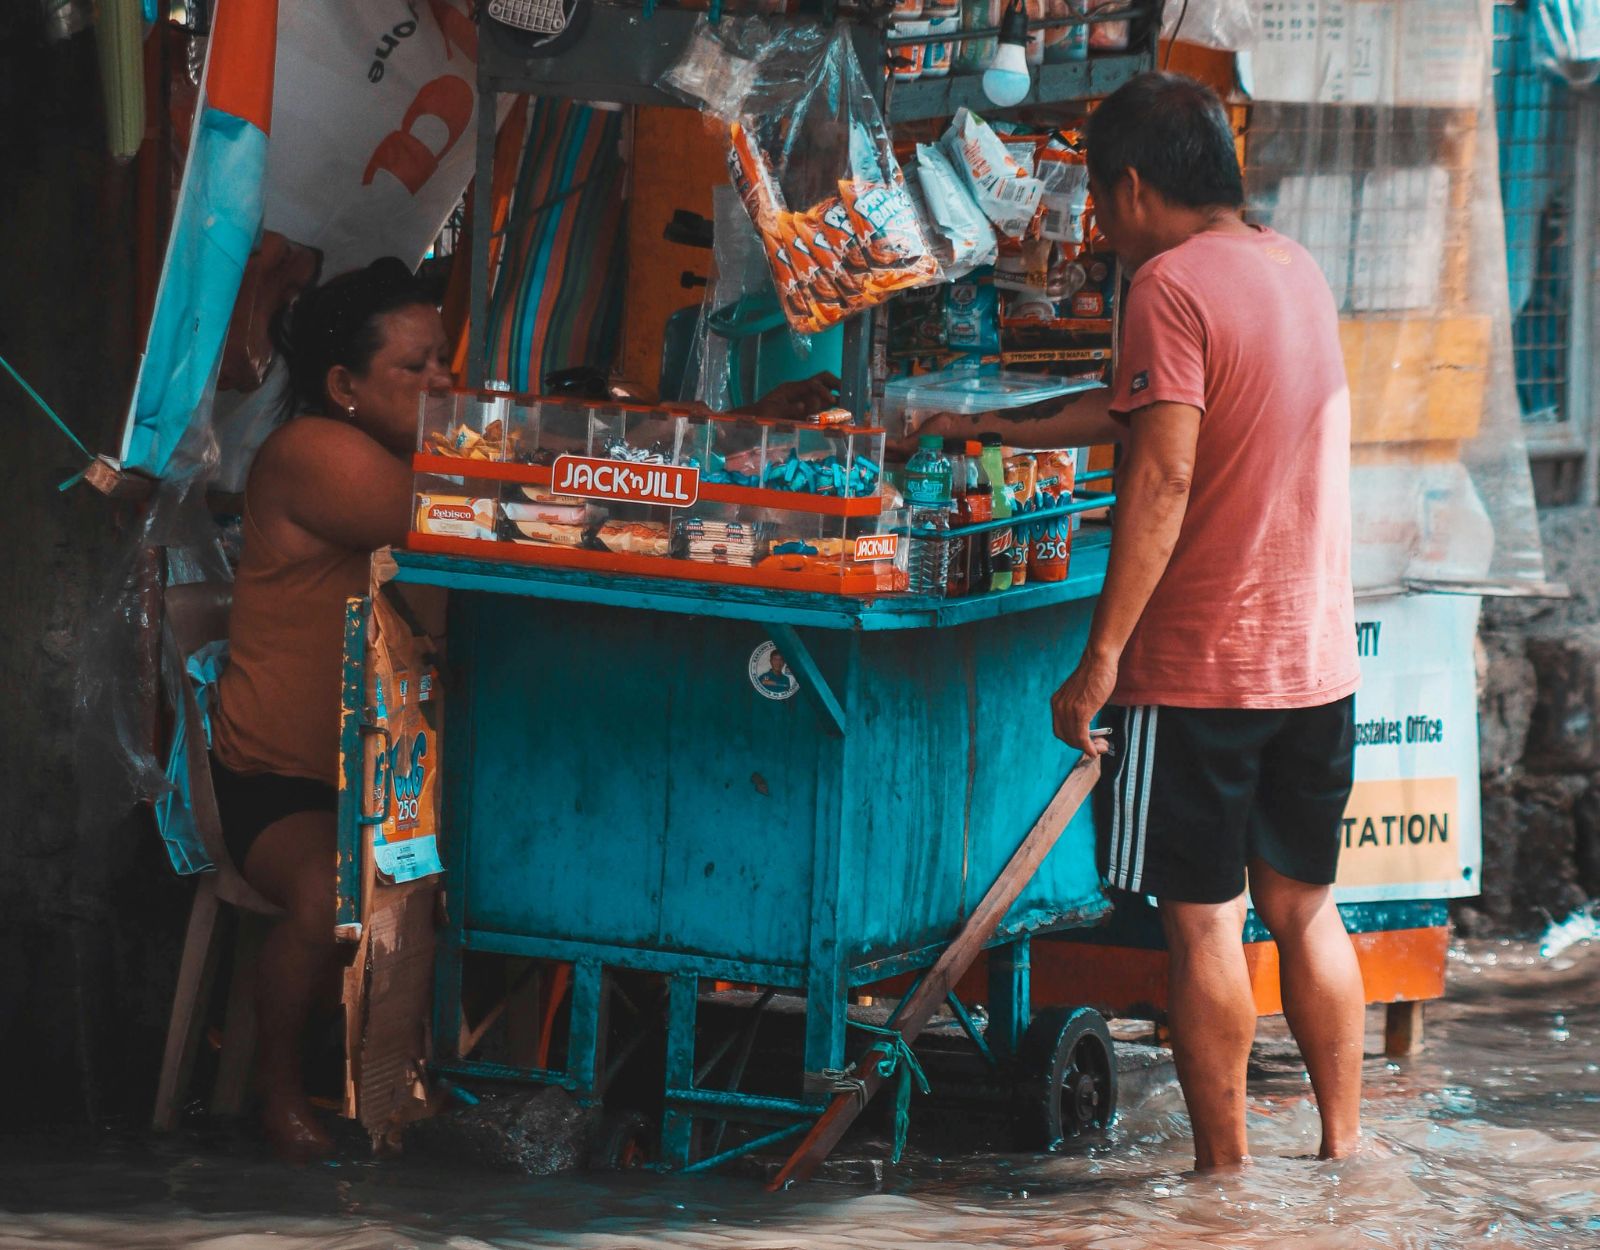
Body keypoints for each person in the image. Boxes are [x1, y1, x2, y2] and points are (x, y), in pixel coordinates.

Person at [207, 257, 840, 1159]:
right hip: (284, 783)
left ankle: (484, 1076)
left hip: (402, 782)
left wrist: (722, 439)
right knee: (325, 893)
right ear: (343, 385)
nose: (442, 384)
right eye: (416, 368)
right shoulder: (313, 453)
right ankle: (275, 1093)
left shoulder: (423, 447)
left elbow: (553, 461)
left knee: (543, 866)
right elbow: (466, 509)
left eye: (445, 366)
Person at [926, 73, 1365, 1171]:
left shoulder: (1168, 284)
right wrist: (976, 420)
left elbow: (1161, 474)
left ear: (1129, 185)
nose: (1097, 227)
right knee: (1306, 908)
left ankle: (1222, 1177)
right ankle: (1341, 1151)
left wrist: (1098, 662)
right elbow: (1139, 410)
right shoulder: (1288, 267)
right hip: (1311, 658)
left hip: (1203, 666)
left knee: (1204, 916)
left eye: (1095, 199)